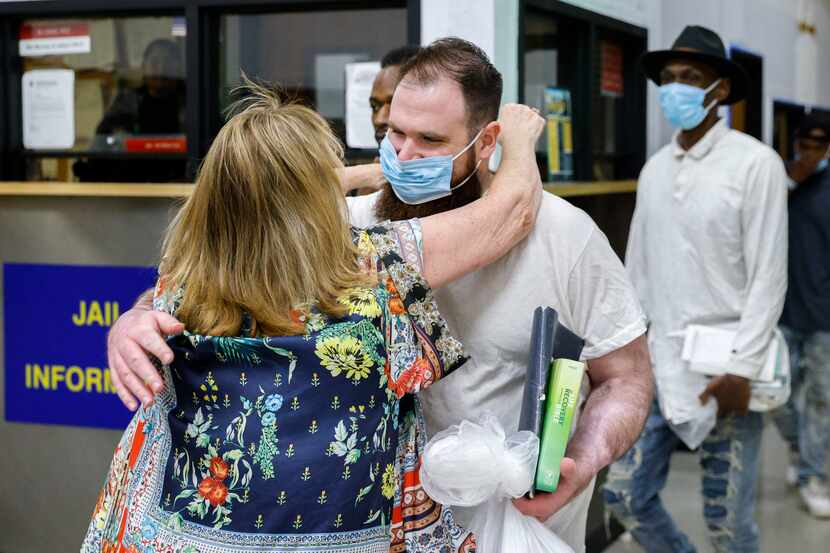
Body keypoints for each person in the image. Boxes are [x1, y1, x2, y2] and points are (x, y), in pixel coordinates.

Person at [105, 38, 653, 553]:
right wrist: (135, 317)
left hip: (514, 530)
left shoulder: (564, 236)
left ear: (485, 141)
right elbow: (214, 271)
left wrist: (582, 458)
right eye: (394, 133)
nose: (405, 156)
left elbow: (625, 376)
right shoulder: (344, 232)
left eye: (431, 142)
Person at [603, 26, 788, 553]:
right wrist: (626, 352)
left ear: (720, 91)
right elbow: (636, 268)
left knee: (728, 524)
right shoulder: (656, 169)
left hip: (724, 370)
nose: (674, 89)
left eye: (690, 78)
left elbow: (769, 276)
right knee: (623, 495)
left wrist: (743, 368)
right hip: (658, 362)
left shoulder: (755, 164)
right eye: (667, 79)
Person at [772, 113, 830, 518]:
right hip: (781, 312)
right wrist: (793, 177)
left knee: (822, 400)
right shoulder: (778, 183)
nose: (810, 151)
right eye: (804, 142)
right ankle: (798, 448)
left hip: (825, 317)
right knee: (777, 398)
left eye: (819, 144)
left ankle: (812, 472)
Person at [74, 38, 187, 182]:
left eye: (167, 62)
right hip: (132, 185)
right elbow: (102, 141)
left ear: (178, 68)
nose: (160, 68)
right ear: (144, 67)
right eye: (154, 62)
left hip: (178, 185)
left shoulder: (193, 103)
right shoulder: (128, 100)